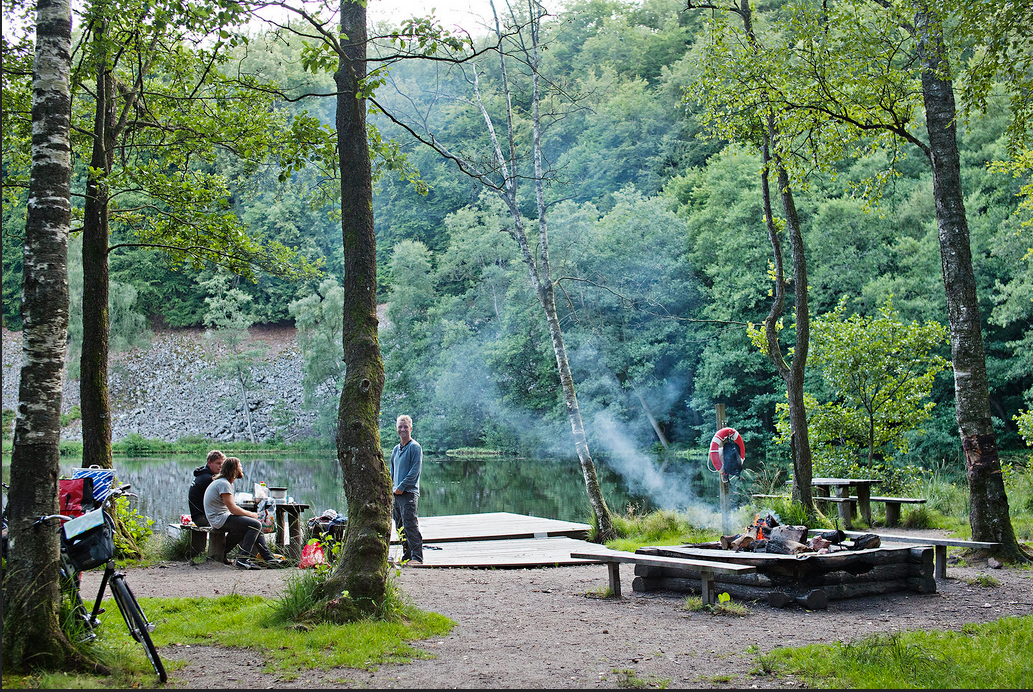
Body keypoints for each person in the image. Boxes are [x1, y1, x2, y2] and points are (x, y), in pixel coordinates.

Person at [203, 456, 284, 570]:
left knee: (252, 524)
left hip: (220, 517)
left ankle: (268, 559)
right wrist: (252, 515)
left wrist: (250, 516)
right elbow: (233, 509)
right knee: (255, 524)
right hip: (218, 518)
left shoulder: (224, 482)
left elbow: (231, 508)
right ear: (234, 469)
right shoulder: (223, 484)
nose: (242, 468)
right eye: (240, 466)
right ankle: (243, 560)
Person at [390, 414, 424, 565]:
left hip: (409, 493)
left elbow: (414, 472)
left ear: (411, 428)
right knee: (399, 526)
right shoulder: (396, 450)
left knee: (410, 525)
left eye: (405, 426)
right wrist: (392, 488)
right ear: (397, 429)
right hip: (395, 494)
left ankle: (417, 557)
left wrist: (401, 487)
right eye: (400, 426)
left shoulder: (415, 447)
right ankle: (407, 555)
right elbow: (392, 471)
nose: (403, 429)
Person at [188, 450, 225, 526]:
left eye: (222, 464)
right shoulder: (208, 479)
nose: (221, 466)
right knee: (237, 524)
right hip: (202, 518)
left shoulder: (202, 474)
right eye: (218, 463)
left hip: (198, 516)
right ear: (209, 463)